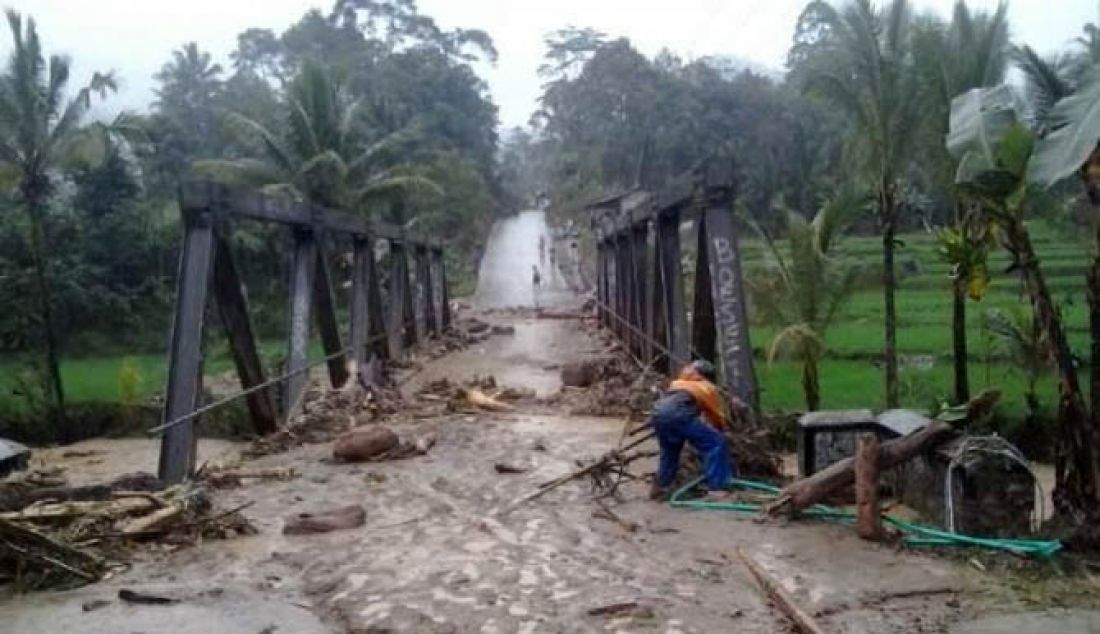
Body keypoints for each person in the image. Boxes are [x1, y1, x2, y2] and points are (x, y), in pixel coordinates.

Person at [648, 360, 737, 500]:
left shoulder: (677, 383)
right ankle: (716, 488)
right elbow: (715, 414)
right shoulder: (706, 386)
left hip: (657, 415)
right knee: (716, 443)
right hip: (679, 415)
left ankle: (661, 487)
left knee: (670, 451)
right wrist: (720, 429)